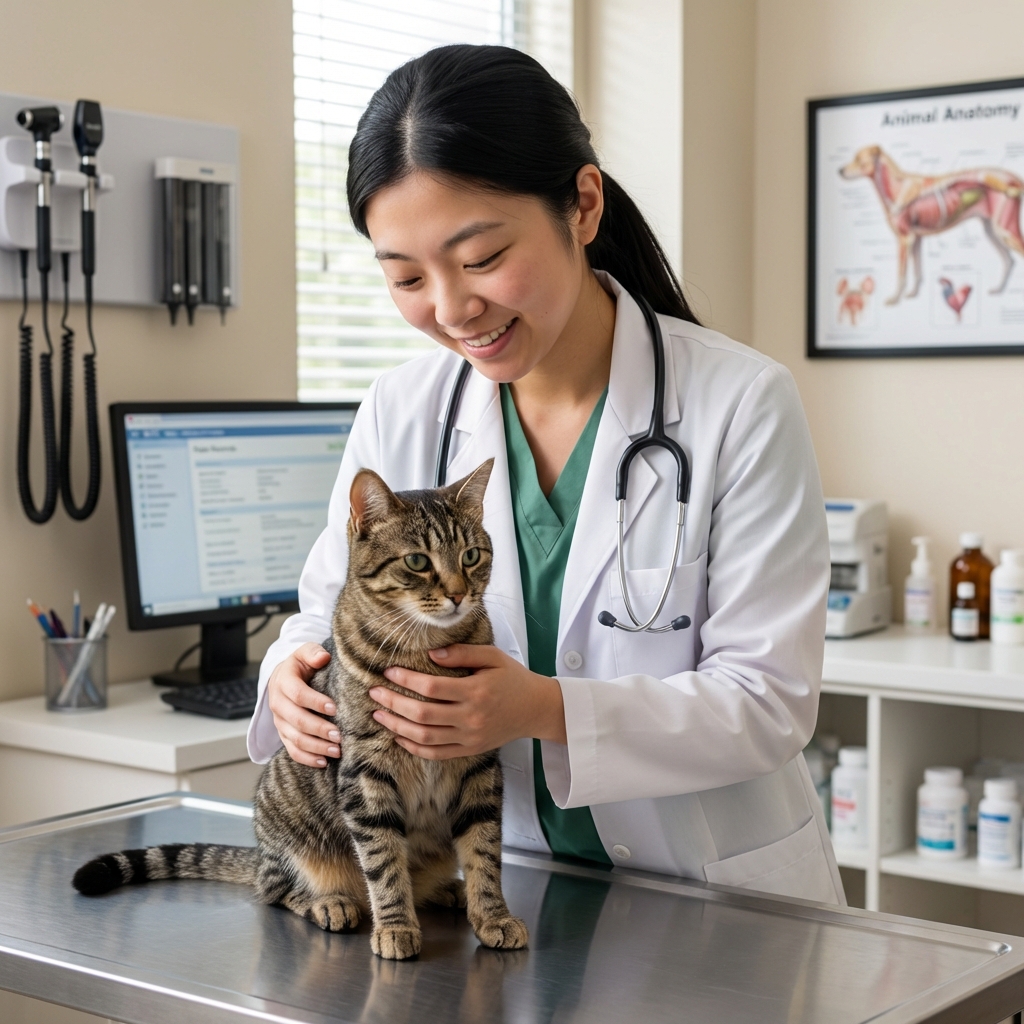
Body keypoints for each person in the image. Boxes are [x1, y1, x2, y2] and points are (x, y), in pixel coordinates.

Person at [247, 44, 843, 903]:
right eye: (407, 276)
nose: (451, 310)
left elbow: (768, 702)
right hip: (500, 885)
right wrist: (292, 679)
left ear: (583, 205)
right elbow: (323, 605)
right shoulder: (402, 407)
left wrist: (542, 709)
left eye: (482, 258)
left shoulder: (740, 401)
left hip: (709, 897)